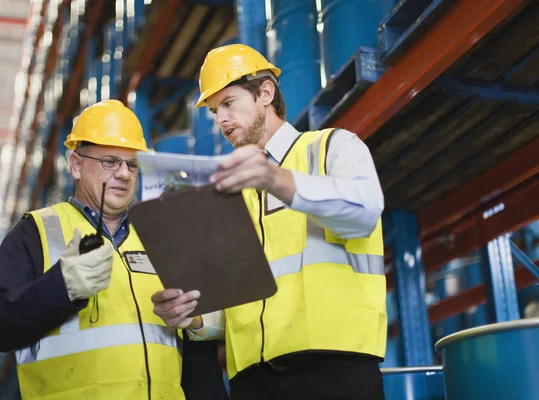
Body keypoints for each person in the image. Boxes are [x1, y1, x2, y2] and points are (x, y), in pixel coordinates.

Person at [151, 44, 387, 400]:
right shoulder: (228, 194)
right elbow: (235, 306)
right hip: (252, 383)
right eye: (215, 111)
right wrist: (194, 317)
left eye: (228, 103)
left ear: (265, 92)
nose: (220, 120)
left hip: (334, 373)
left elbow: (364, 212)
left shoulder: (331, 148)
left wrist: (278, 180)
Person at [0, 100, 228, 400]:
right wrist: (61, 287)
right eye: (110, 161)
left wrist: (195, 319)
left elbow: (208, 338)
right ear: (76, 165)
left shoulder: (162, 236)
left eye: (132, 164)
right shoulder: (36, 232)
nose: (123, 173)